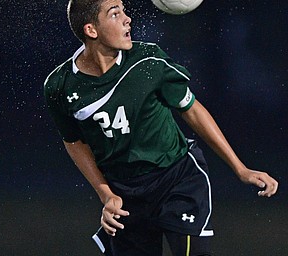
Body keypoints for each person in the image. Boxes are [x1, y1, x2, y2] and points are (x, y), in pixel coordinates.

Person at [44, 0, 278, 255]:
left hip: (176, 178)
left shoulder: (148, 61)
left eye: (124, 9)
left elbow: (191, 109)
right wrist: (105, 194)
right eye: (115, 13)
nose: (127, 19)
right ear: (91, 30)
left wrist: (240, 168)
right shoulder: (60, 86)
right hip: (125, 194)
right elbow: (74, 142)